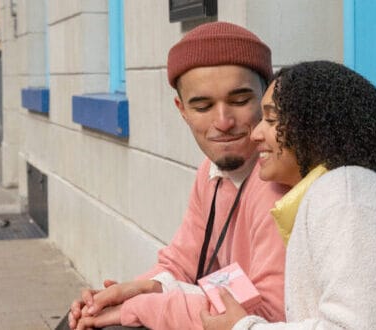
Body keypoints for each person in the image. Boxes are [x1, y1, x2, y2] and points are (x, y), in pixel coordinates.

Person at [68, 22, 290, 330]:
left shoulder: (278, 185)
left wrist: (140, 306)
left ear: (266, 100)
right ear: (181, 109)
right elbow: (181, 263)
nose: (223, 121)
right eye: (202, 106)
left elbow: (268, 313)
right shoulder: (209, 173)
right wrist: (125, 293)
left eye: (240, 101)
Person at [200, 61, 376, 329]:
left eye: (270, 120)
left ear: (313, 127)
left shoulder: (348, 196)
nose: (256, 134)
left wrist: (244, 328)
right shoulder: (333, 193)